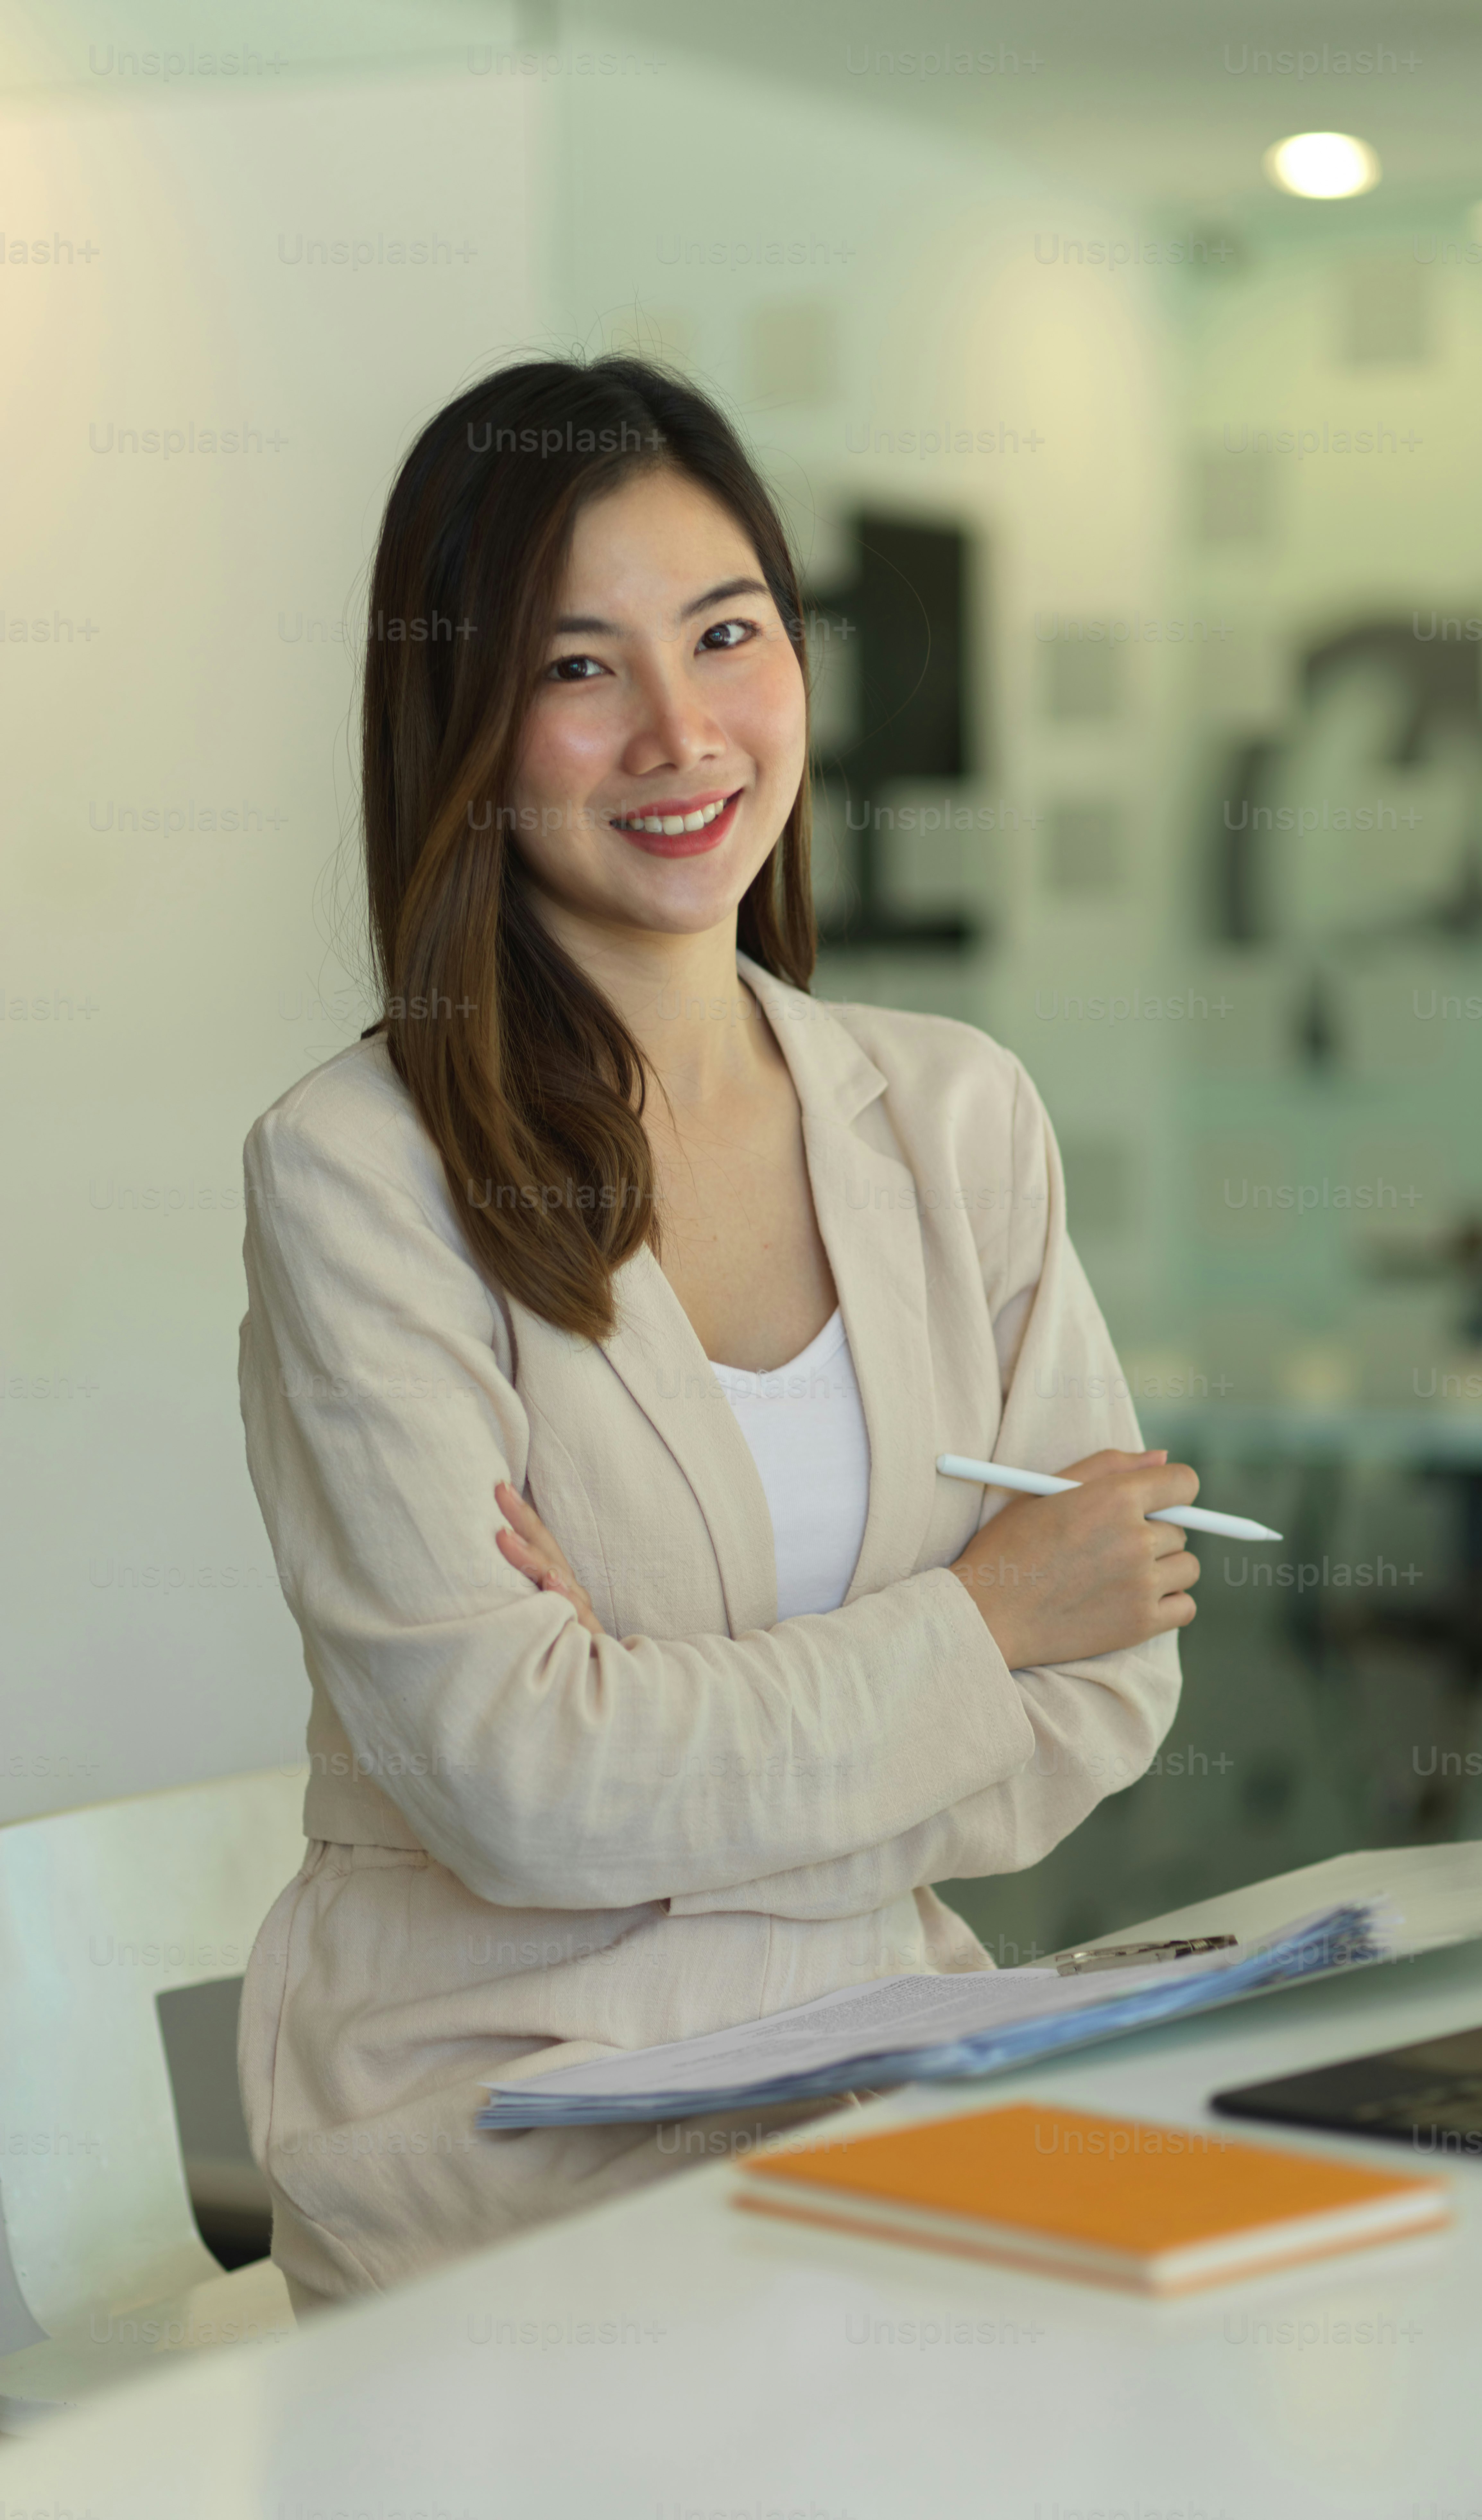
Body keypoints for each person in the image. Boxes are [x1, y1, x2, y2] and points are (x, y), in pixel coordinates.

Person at [236, 354, 1199, 2308]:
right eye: (578, 668)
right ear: (467, 727)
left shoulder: (956, 1116)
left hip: (889, 2081)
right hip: (514, 2149)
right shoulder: (358, 1170)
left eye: (728, 632)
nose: (681, 732)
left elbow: (1107, 1706)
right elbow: (519, 1786)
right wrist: (981, 1618)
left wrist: (654, 1726)